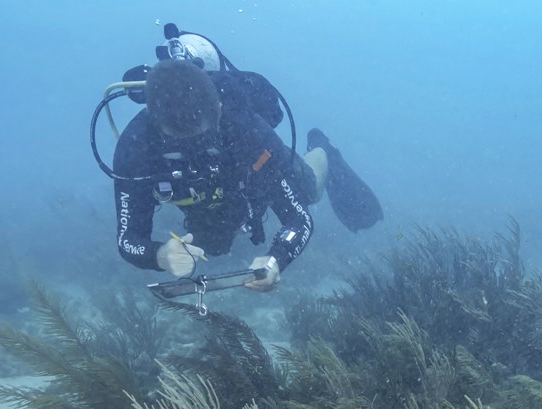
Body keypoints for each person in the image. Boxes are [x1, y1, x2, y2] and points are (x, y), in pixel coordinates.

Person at [111, 32, 382, 292]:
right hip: (204, 195)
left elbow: (299, 219)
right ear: (156, 124)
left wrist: (277, 258)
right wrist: (159, 254)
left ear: (218, 110)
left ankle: (323, 148)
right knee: (214, 245)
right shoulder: (135, 146)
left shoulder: (245, 129)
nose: (195, 150)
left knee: (308, 189)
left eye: (202, 136)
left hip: (246, 172)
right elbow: (128, 239)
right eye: (180, 142)